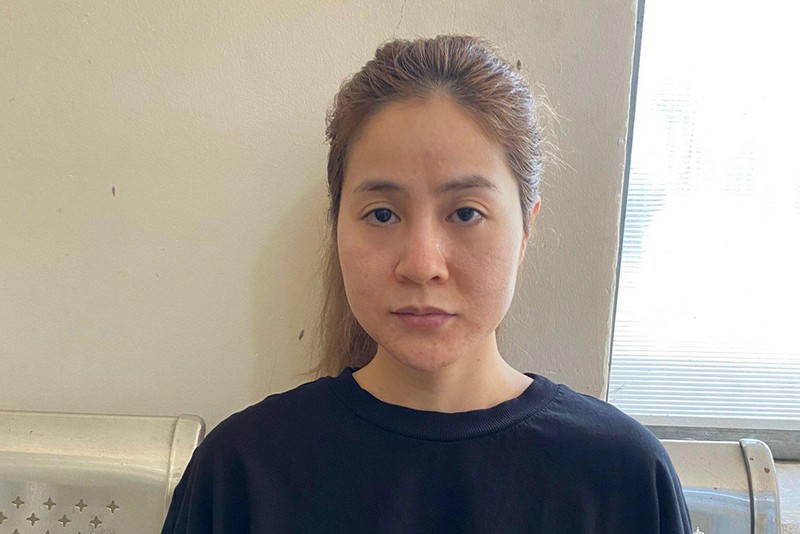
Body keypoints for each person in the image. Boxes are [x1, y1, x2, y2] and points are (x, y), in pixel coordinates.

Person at [162, 35, 693, 533]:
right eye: (382, 214)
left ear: (526, 229)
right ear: (337, 224)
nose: (421, 265)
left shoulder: (622, 476)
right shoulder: (239, 472)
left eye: (466, 213)